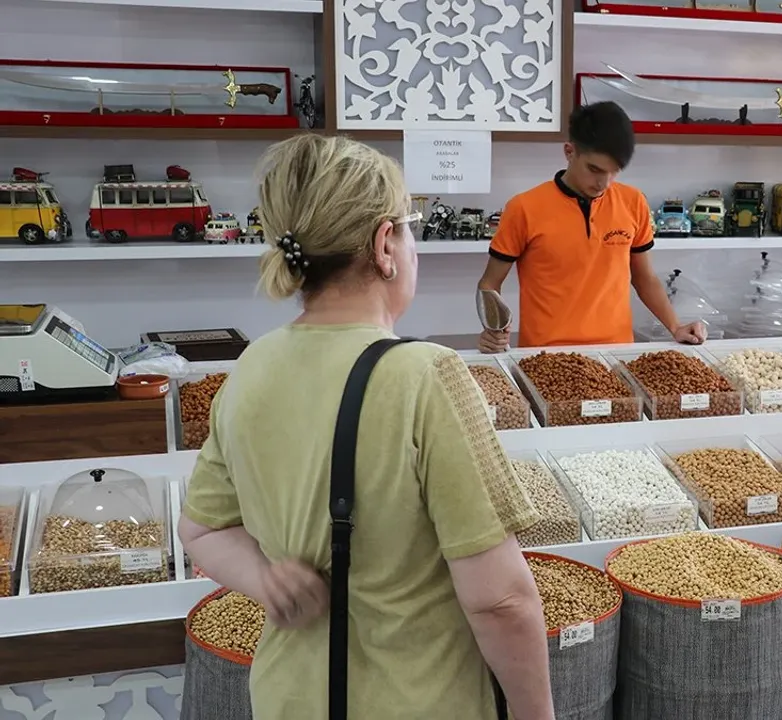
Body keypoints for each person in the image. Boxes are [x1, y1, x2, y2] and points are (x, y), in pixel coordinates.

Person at [177, 134, 554, 720]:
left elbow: (201, 529)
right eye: (410, 228)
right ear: (385, 245)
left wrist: (270, 578)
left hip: (287, 699)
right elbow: (500, 600)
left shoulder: (251, 365)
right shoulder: (427, 375)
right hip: (420, 702)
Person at [476, 100, 706, 352]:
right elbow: (489, 284)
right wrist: (494, 331)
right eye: (594, 169)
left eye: (614, 171)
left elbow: (644, 278)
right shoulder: (523, 208)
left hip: (618, 353)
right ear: (569, 152)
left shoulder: (633, 202)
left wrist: (675, 326)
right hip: (544, 357)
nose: (603, 183)